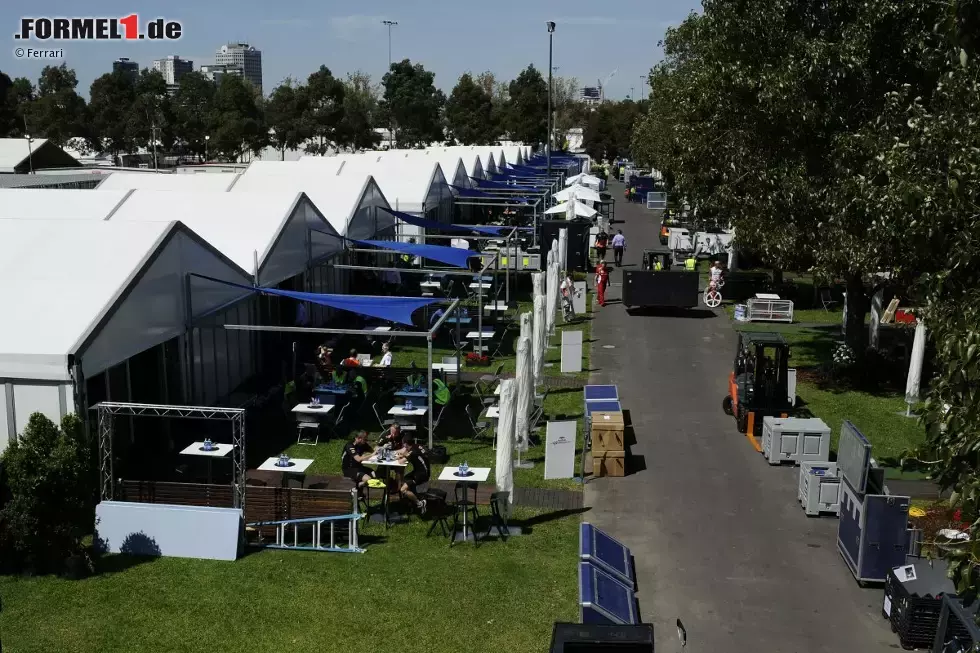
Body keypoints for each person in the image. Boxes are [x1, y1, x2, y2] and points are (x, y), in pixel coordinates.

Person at [397, 435, 431, 513]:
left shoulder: (412, 452)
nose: (403, 446)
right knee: (404, 479)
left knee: (403, 489)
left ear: (406, 444)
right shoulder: (416, 446)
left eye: (403, 444)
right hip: (423, 471)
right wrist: (402, 455)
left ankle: (419, 503)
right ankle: (413, 498)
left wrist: (400, 456)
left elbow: (400, 462)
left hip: (421, 475)